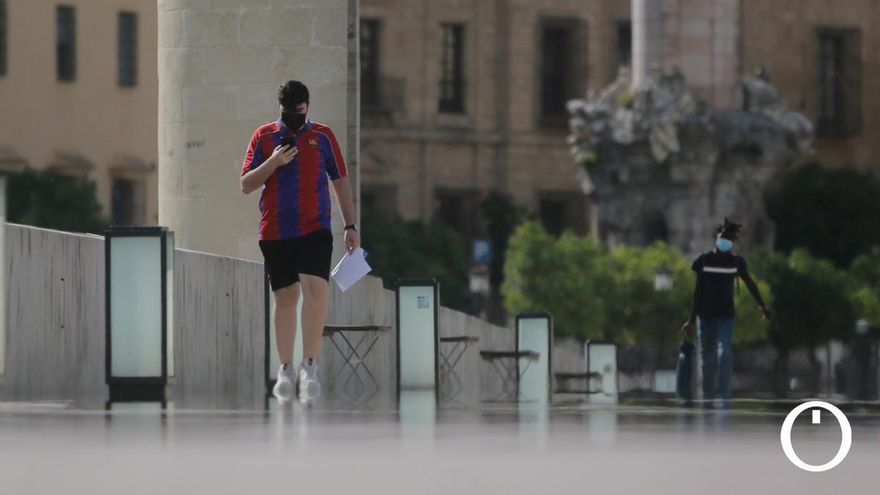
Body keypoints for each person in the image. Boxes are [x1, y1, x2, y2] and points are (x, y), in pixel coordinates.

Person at [240, 80, 360, 403]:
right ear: (279, 108)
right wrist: (274, 162)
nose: (293, 118)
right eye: (287, 113)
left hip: (315, 228)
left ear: (307, 107)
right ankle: (285, 368)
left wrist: (350, 224)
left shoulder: (322, 136)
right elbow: (246, 184)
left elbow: (340, 180)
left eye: (299, 112)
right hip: (276, 230)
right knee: (286, 297)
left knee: (316, 287)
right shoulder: (264, 136)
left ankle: (309, 363)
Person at [681, 218, 770, 407]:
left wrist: (761, 305)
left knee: (724, 353)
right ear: (717, 239)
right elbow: (697, 293)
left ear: (732, 243)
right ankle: (708, 396)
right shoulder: (703, 261)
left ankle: (723, 395)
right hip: (705, 317)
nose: (725, 241)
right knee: (706, 359)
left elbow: (750, 284)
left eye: (728, 239)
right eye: (723, 238)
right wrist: (690, 320)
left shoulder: (736, 262)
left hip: (725, 317)